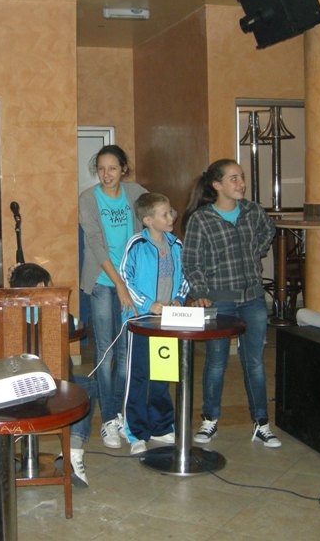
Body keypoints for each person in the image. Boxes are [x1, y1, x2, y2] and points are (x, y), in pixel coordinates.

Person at [181, 159, 281, 448]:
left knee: (254, 362)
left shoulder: (252, 211)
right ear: (217, 185)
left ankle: (261, 423)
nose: (241, 184)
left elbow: (268, 230)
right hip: (220, 301)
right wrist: (200, 291)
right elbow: (191, 261)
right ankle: (209, 420)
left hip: (252, 299)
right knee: (216, 361)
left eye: (242, 177)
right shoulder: (202, 219)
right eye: (233, 178)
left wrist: (254, 252)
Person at [79, 145, 147, 449]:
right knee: (105, 351)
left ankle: (120, 414)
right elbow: (95, 243)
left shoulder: (136, 193)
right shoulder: (88, 199)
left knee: (126, 352)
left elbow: (157, 218)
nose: (106, 174)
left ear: (123, 169)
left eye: (113, 168)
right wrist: (119, 283)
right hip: (103, 281)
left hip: (130, 283)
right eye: (101, 168)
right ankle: (108, 418)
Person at [7, 263, 96, 487]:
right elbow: (75, 325)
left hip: (15, 395)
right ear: (41, 286)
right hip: (54, 394)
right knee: (87, 387)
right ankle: (73, 450)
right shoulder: (60, 314)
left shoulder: (6, 316)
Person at [119, 193, 189, 455]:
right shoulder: (137, 244)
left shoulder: (176, 245)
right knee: (138, 377)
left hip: (166, 323)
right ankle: (136, 432)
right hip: (140, 321)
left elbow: (186, 277)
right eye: (165, 214)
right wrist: (149, 304)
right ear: (148, 220)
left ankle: (161, 425)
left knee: (163, 374)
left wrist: (179, 298)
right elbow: (126, 279)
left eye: (171, 212)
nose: (171, 217)